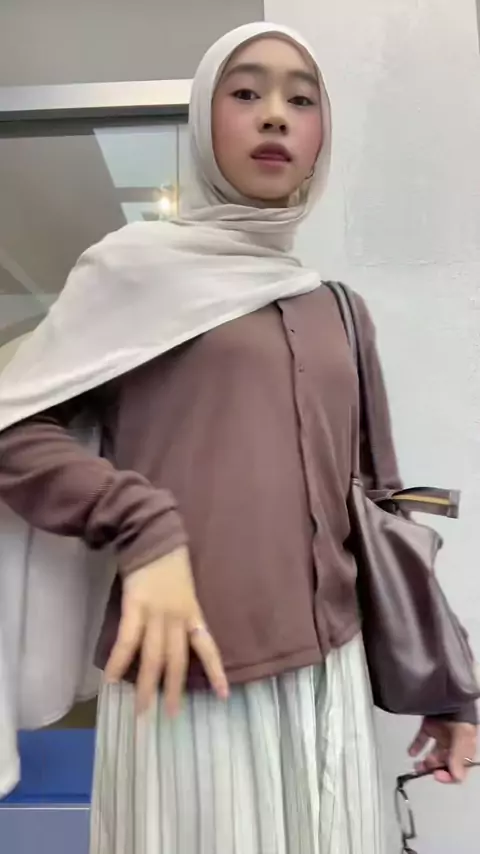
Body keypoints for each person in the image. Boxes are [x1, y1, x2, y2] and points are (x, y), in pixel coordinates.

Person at [0, 21, 476, 854]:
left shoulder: (338, 309)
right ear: (202, 120)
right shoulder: (132, 272)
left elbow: (379, 507)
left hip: (328, 682)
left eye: (301, 99)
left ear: (322, 134)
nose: (274, 115)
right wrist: (141, 523)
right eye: (246, 92)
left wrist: (447, 685)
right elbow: (14, 427)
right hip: (183, 681)